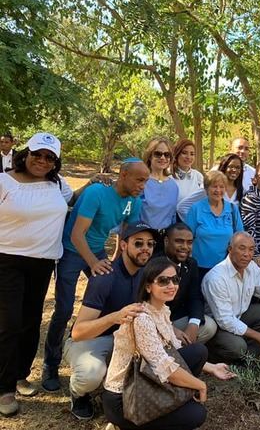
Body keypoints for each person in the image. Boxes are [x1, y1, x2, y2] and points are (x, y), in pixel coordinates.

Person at [42, 158, 148, 393]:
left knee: (114, 297)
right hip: (72, 251)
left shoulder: (134, 202)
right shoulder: (97, 193)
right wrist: (94, 262)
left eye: (146, 181)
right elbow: (77, 235)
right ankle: (50, 364)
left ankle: (101, 348)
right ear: (123, 175)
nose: (143, 185)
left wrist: (117, 262)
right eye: (139, 180)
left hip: (99, 251)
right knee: (64, 308)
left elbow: (126, 234)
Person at [102, 257, 236, 430]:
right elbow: (164, 367)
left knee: (198, 352)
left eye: (175, 279)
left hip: (145, 379)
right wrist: (200, 385)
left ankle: (171, 401)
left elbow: (175, 351)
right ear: (148, 286)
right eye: (163, 281)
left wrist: (212, 368)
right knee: (196, 414)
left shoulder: (161, 309)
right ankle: (124, 425)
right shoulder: (142, 318)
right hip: (125, 399)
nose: (171, 285)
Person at [0, 133, 68, 417]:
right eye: (37, 154)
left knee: (30, 321)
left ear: (55, 162)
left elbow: (72, 204)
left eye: (49, 157)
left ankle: (19, 375)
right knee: (8, 323)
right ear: (25, 153)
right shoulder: (4, 180)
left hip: (42, 262)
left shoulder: (59, 185)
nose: (42, 161)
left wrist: (96, 182)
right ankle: (3, 389)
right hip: (7, 260)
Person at [63, 222, 157, 420]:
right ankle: (78, 393)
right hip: (90, 340)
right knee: (91, 373)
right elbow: (78, 332)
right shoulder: (105, 277)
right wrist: (115, 317)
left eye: (150, 244)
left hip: (123, 338)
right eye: (138, 243)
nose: (145, 249)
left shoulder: (145, 275)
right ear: (123, 246)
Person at [202, 232, 260, 363]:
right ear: (230, 249)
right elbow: (225, 321)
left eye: (251, 249)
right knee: (238, 347)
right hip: (218, 327)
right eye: (242, 248)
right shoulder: (217, 278)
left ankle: (249, 356)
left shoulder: (252, 267)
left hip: (239, 316)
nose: (247, 254)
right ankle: (213, 354)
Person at [163, 222, 218, 344]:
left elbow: (195, 297)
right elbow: (146, 305)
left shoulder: (191, 264)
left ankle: (183, 353)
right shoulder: (154, 265)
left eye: (189, 242)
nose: (185, 247)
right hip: (154, 320)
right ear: (166, 241)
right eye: (179, 241)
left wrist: (194, 324)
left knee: (209, 326)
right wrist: (170, 329)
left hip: (176, 317)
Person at [185, 171, 244, 275]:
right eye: (214, 186)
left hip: (225, 268)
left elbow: (239, 237)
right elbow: (187, 238)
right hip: (199, 268)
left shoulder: (232, 209)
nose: (218, 190)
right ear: (206, 189)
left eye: (221, 187)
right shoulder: (196, 209)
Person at [140, 138, 179, 247]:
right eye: (158, 154)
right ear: (149, 156)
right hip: (143, 239)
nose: (163, 157)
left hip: (165, 240)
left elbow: (172, 216)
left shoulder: (173, 185)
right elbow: (130, 215)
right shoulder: (141, 182)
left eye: (167, 155)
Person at [171, 138, 204, 203]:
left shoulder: (198, 176)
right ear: (177, 154)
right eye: (184, 153)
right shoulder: (169, 177)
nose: (188, 157)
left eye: (192, 154)